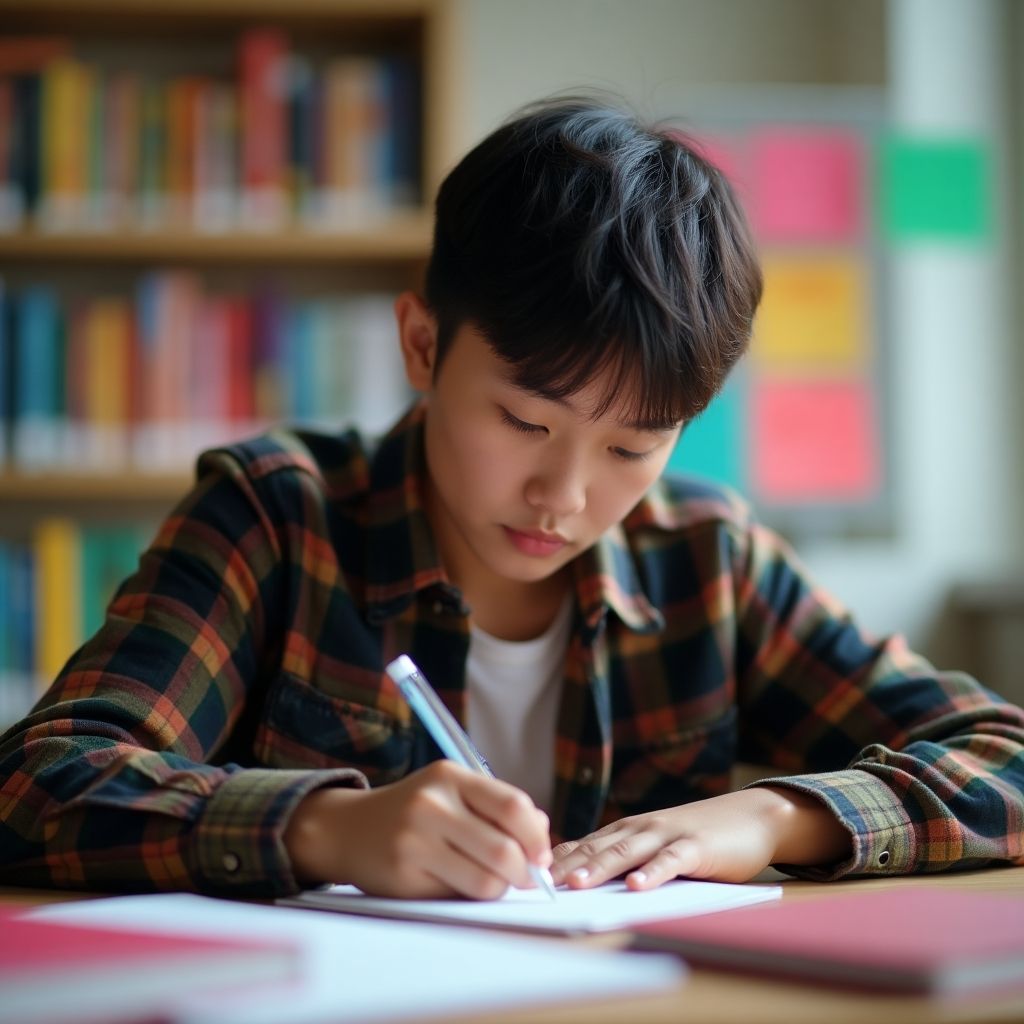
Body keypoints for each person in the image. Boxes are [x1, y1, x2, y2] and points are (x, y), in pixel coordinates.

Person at [1, 97, 1022, 900]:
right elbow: (36, 785)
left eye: (632, 445)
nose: (565, 495)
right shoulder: (277, 517)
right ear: (421, 345)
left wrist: (770, 817)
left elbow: (1005, 759)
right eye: (526, 424)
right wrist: (326, 828)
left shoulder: (706, 560)